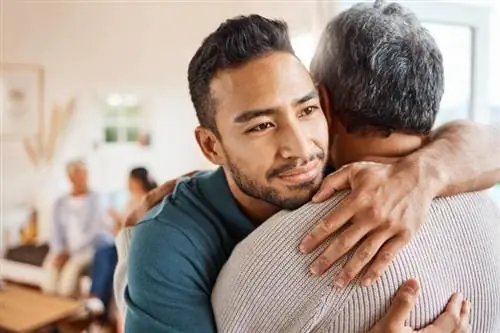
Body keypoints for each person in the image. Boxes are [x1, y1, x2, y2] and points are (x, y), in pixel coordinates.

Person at [121, 14, 500, 333]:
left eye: (306, 110)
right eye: (261, 126)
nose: (301, 148)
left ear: (326, 106)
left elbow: (489, 143)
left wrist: (418, 176)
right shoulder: (167, 242)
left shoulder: (342, 167)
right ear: (210, 146)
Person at [86, 167, 157, 328]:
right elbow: (121, 229)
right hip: (124, 240)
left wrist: (119, 221)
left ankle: (97, 303)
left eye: (130, 180)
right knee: (102, 252)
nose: (128, 183)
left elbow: (136, 226)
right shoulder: (131, 200)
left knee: (106, 255)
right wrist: (115, 221)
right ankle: (96, 299)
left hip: (136, 243)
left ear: (137, 181)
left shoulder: (148, 199)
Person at [42, 159, 107, 298]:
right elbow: (55, 231)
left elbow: (93, 232)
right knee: (49, 276)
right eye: (79, 174)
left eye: (85, 174)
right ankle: (50, 311)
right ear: (70, 177)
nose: (83, 178)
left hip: (85, 249)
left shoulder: (95, 199)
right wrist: (59, 251)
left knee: (68, 279)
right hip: (63, 250)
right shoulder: (60, 202)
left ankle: (67, 313)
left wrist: (69, 251)